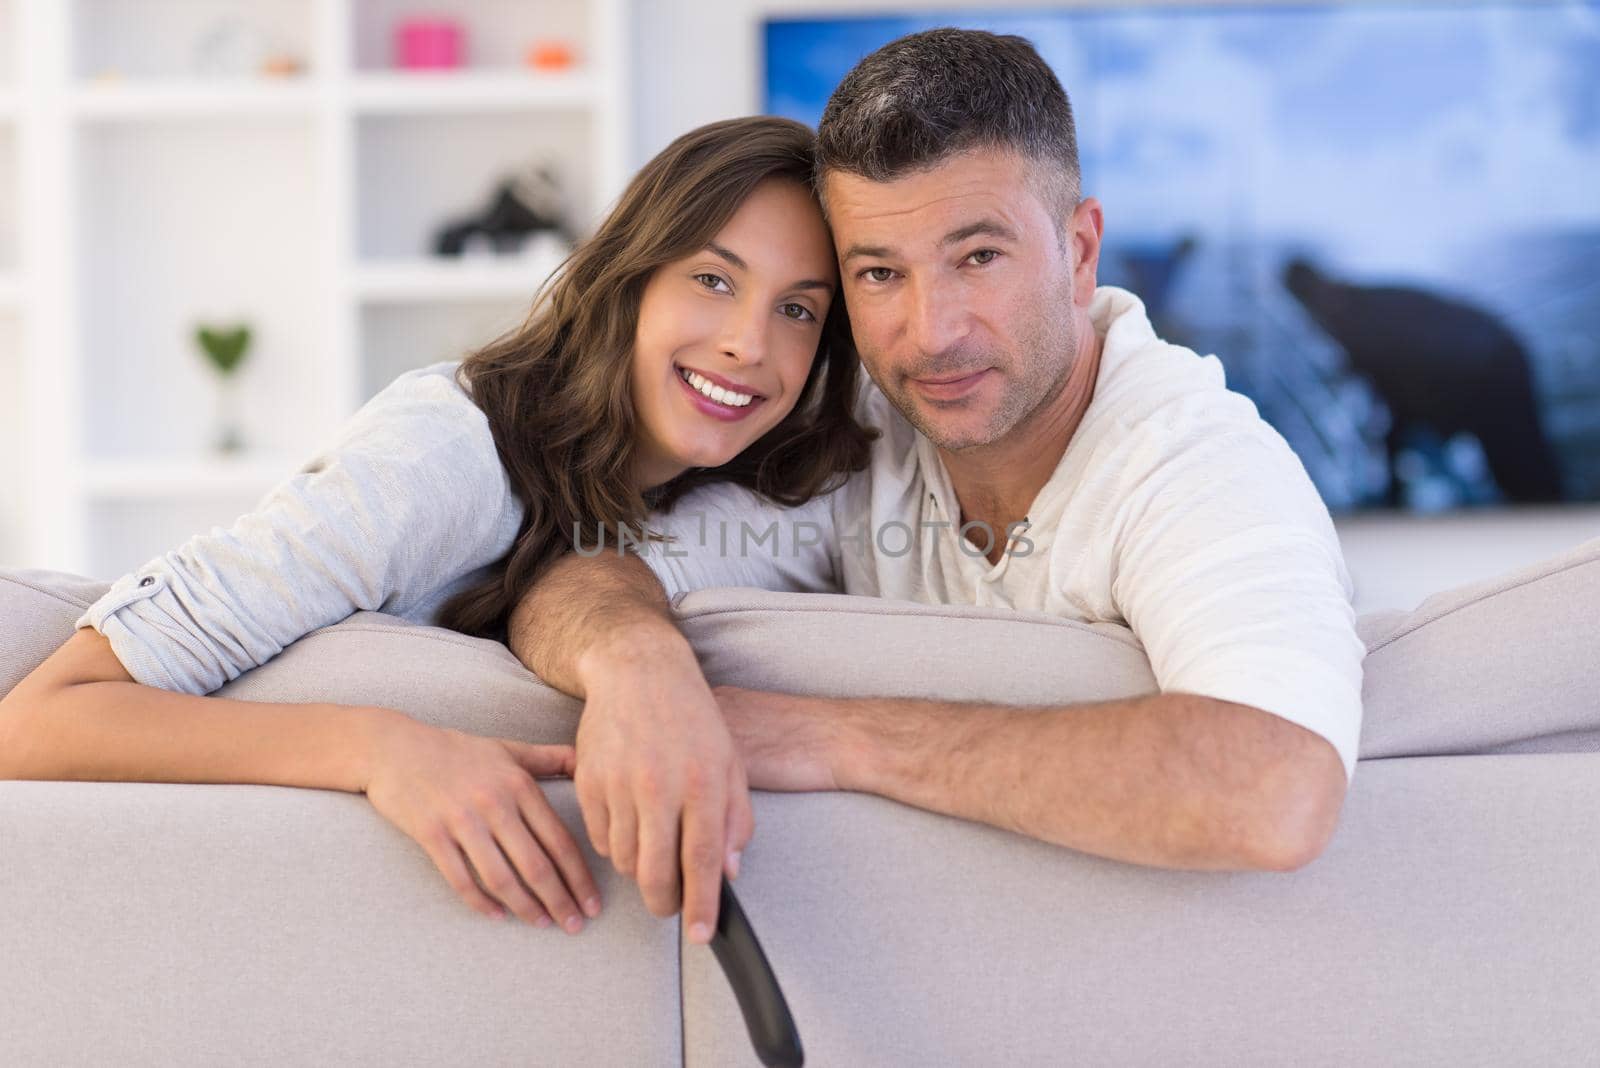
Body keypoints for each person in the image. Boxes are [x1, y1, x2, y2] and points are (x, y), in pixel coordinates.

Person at [508, 29, 1368, 944]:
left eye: (978, 257)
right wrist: (640, 669)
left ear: (1080, 251)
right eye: (880, 273)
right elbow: (584, 571)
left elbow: (1274, 788)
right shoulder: (874, 429)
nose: (930, 334)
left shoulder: (1193, 460)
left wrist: (830, 738)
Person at [0, 117, 875, 939]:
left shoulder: (743, 496)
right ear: (630, 279)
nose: (749, 344)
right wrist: (381, 748)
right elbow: (36, 724)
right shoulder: (444, 456)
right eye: (714, 280)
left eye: (797, 309)